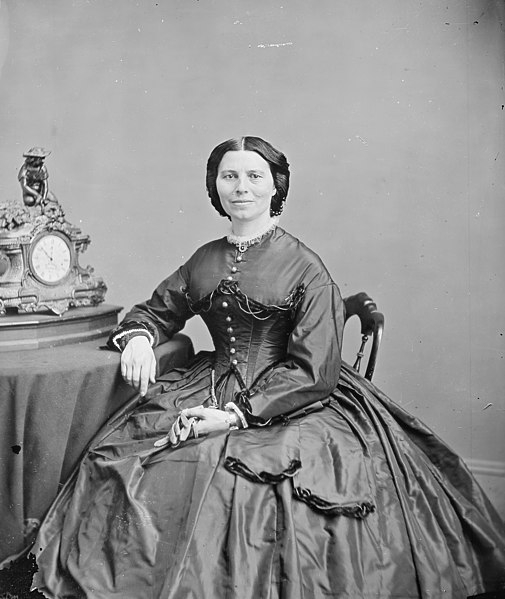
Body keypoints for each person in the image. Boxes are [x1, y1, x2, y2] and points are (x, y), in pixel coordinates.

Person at [25, 137, 505, 597]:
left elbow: (314, 369)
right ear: (214, 186)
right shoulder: (205, 259)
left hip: (294, 397)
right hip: (210, 380)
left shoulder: (305, 266)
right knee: (133, 458)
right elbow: (156, 310)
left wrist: (234, 414)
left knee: (228, 475)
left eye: (255, 176)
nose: (241, 188)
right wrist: (138, 339)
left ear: (276, 186)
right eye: (229, 176)